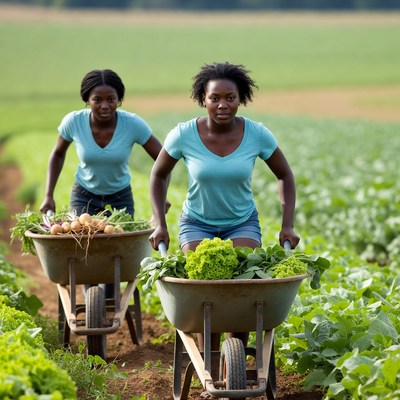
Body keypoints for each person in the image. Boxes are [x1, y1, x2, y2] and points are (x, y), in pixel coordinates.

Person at [148, 62, 300, 368]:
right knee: (206, 288)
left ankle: (235, 362)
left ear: (240, 99)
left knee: (241, 287)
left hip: (241, 222)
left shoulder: (256, 134)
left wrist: (287, 225)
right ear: (202, 99)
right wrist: (160, 223)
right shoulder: (183, 135)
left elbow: (284, 175)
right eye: (214, 97)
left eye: (230, 97)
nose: (222, 105)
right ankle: (210, 363)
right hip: (197, 223)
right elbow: (158, 175)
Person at [40, 69, 169, 297]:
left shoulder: (132, 125)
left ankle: (107, 299)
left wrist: (162, 197)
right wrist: (48, 194)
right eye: (97, 100)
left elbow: (163, 161)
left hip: (120, 198)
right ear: (87, 100)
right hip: (83, 195)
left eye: (111, 99)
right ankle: (94, 300)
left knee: (115, 255)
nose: (105, 105)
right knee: (86, 254)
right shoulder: (74, 122)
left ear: (119, 100)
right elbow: (57, 154)